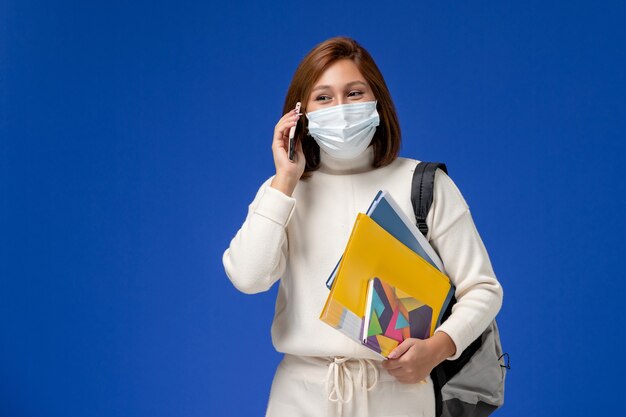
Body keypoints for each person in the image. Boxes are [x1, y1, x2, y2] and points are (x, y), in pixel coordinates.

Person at [222, 36, 503, 417]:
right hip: (302, 397)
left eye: (354, 93)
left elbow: (483, 288)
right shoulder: (284, 192)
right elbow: (248, 277)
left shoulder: (424, 184)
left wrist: (437, 348)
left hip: (400, 392)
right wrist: (285, 179)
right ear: (300, 113)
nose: (340, 107)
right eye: (323, 97)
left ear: (377, 102)